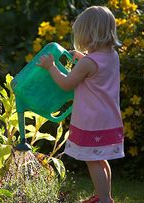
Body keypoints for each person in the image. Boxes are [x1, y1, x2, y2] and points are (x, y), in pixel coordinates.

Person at [37, 6, 124, 203]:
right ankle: (105, 197)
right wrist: (82, 57)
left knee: (92, 160)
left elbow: (67, 83)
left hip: (92, 121)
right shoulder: (111, 56)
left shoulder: (88, 63)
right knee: (100, 158)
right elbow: (96, 69)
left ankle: (103, 200)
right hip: (109, 119)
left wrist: (51, 66)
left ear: (89, 34)